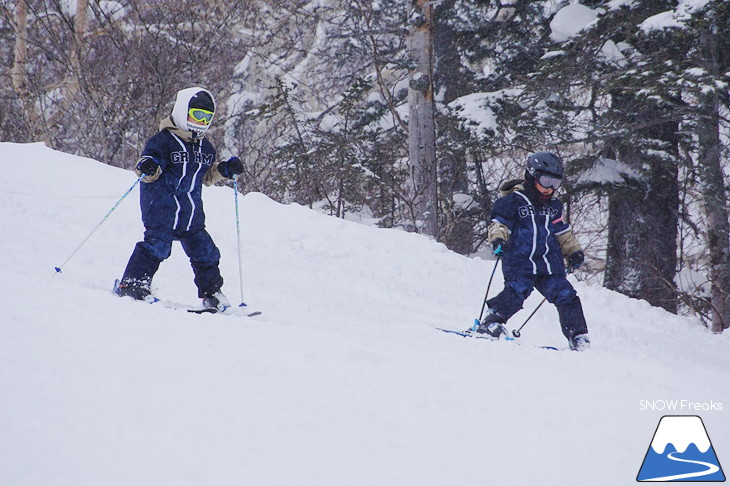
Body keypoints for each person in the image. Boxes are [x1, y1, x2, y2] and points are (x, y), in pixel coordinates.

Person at [115, 87, 244, 312]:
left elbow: (205, 176)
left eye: (207, 118)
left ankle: (212, 293)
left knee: (206, 251)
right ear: (183, 111)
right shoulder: (163, 141)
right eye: (197, 115)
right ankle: (133, 283)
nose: (201, 122)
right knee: (158, 247)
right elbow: (147, 169)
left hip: (191, 214)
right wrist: (148, 166)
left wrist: (224, 169)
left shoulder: (206, 147)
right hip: (162, 209)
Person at [474, 152, 590, 351]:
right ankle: (491, 322)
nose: (550, 188)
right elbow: (498, 224)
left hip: (549, 264)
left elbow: (562, 232)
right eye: (546, 181)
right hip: (521, 261)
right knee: (517, 292)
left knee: (566, 294)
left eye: (556, 183)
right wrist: (499, 240)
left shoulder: (554, 206)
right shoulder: (512, 202)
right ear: (532, 176)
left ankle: (578, 336)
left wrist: (573, 251)